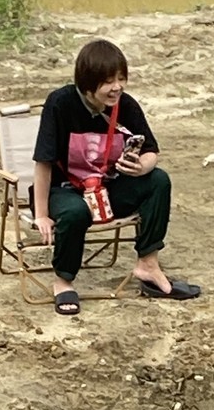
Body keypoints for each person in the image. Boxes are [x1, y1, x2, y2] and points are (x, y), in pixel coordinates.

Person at [32, 37, 201, 316]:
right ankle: (63, 281)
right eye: (109, 81)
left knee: (158, 180)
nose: (117, 87)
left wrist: (142, 167)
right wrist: (40, 214)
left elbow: (151, 151)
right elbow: (43, 161)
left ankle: (148, 264)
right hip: (66, 190)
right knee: (74, 212)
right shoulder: (60, 104)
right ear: (88, 82)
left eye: (121, 78)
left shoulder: (126, 105)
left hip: (109, 188)